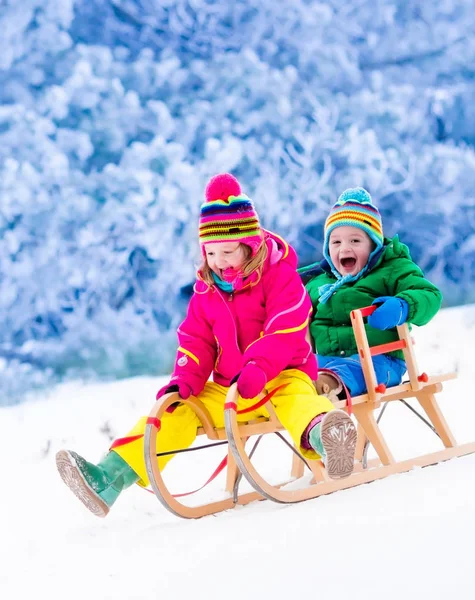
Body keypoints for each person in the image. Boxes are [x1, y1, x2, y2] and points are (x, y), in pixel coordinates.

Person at [56, 173, 357, 518]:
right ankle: (108, 478)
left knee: (300, 403)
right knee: (177, 411)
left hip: (281, 377)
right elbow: (195, 338)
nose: (219, 261)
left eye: (228, 251)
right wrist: (185, 378)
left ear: (251, 245)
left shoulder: (281, 279)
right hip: (230, 389)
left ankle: (328, 439)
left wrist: (259, 366)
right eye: (211, 252)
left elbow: (284, 328)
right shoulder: (207, 291)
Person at [299, 187, 442, 401]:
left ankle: (328, 387)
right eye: (336, 242)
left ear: (374, 245)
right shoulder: (318, 281)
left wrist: (403, 305)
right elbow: (284, 299)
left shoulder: (392, 268)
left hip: (381, 360)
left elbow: (429, 294)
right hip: (324, 360)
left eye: (355, 241)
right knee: (294, 375)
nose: (344, 248)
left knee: (358, 370)